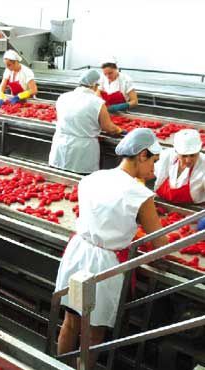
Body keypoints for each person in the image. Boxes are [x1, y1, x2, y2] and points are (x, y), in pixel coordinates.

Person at [55, 128, 168, 368]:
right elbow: (160, 243)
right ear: (142, 155)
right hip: (104, 266)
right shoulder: (140, 194)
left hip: (78, 254)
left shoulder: (93, 178)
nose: (154, 170)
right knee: (94, 332)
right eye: (154, 161)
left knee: (71, 321)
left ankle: (58, 366)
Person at [48, 69, 124, 174]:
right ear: (94, 86)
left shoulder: (63, 97)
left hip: (60, 145)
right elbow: (108, 127)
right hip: (82, 151)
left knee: (60, 178)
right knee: (80, 182)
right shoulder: (97, 102)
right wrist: (119, 130)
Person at [154, 129, 205, 204]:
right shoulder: (166, 156)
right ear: (176, 152)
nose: (188, 160)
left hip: (193, 209)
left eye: (193, 155)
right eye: (184, 156)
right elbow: (145, 174)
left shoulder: (203, 165)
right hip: (162, 203)